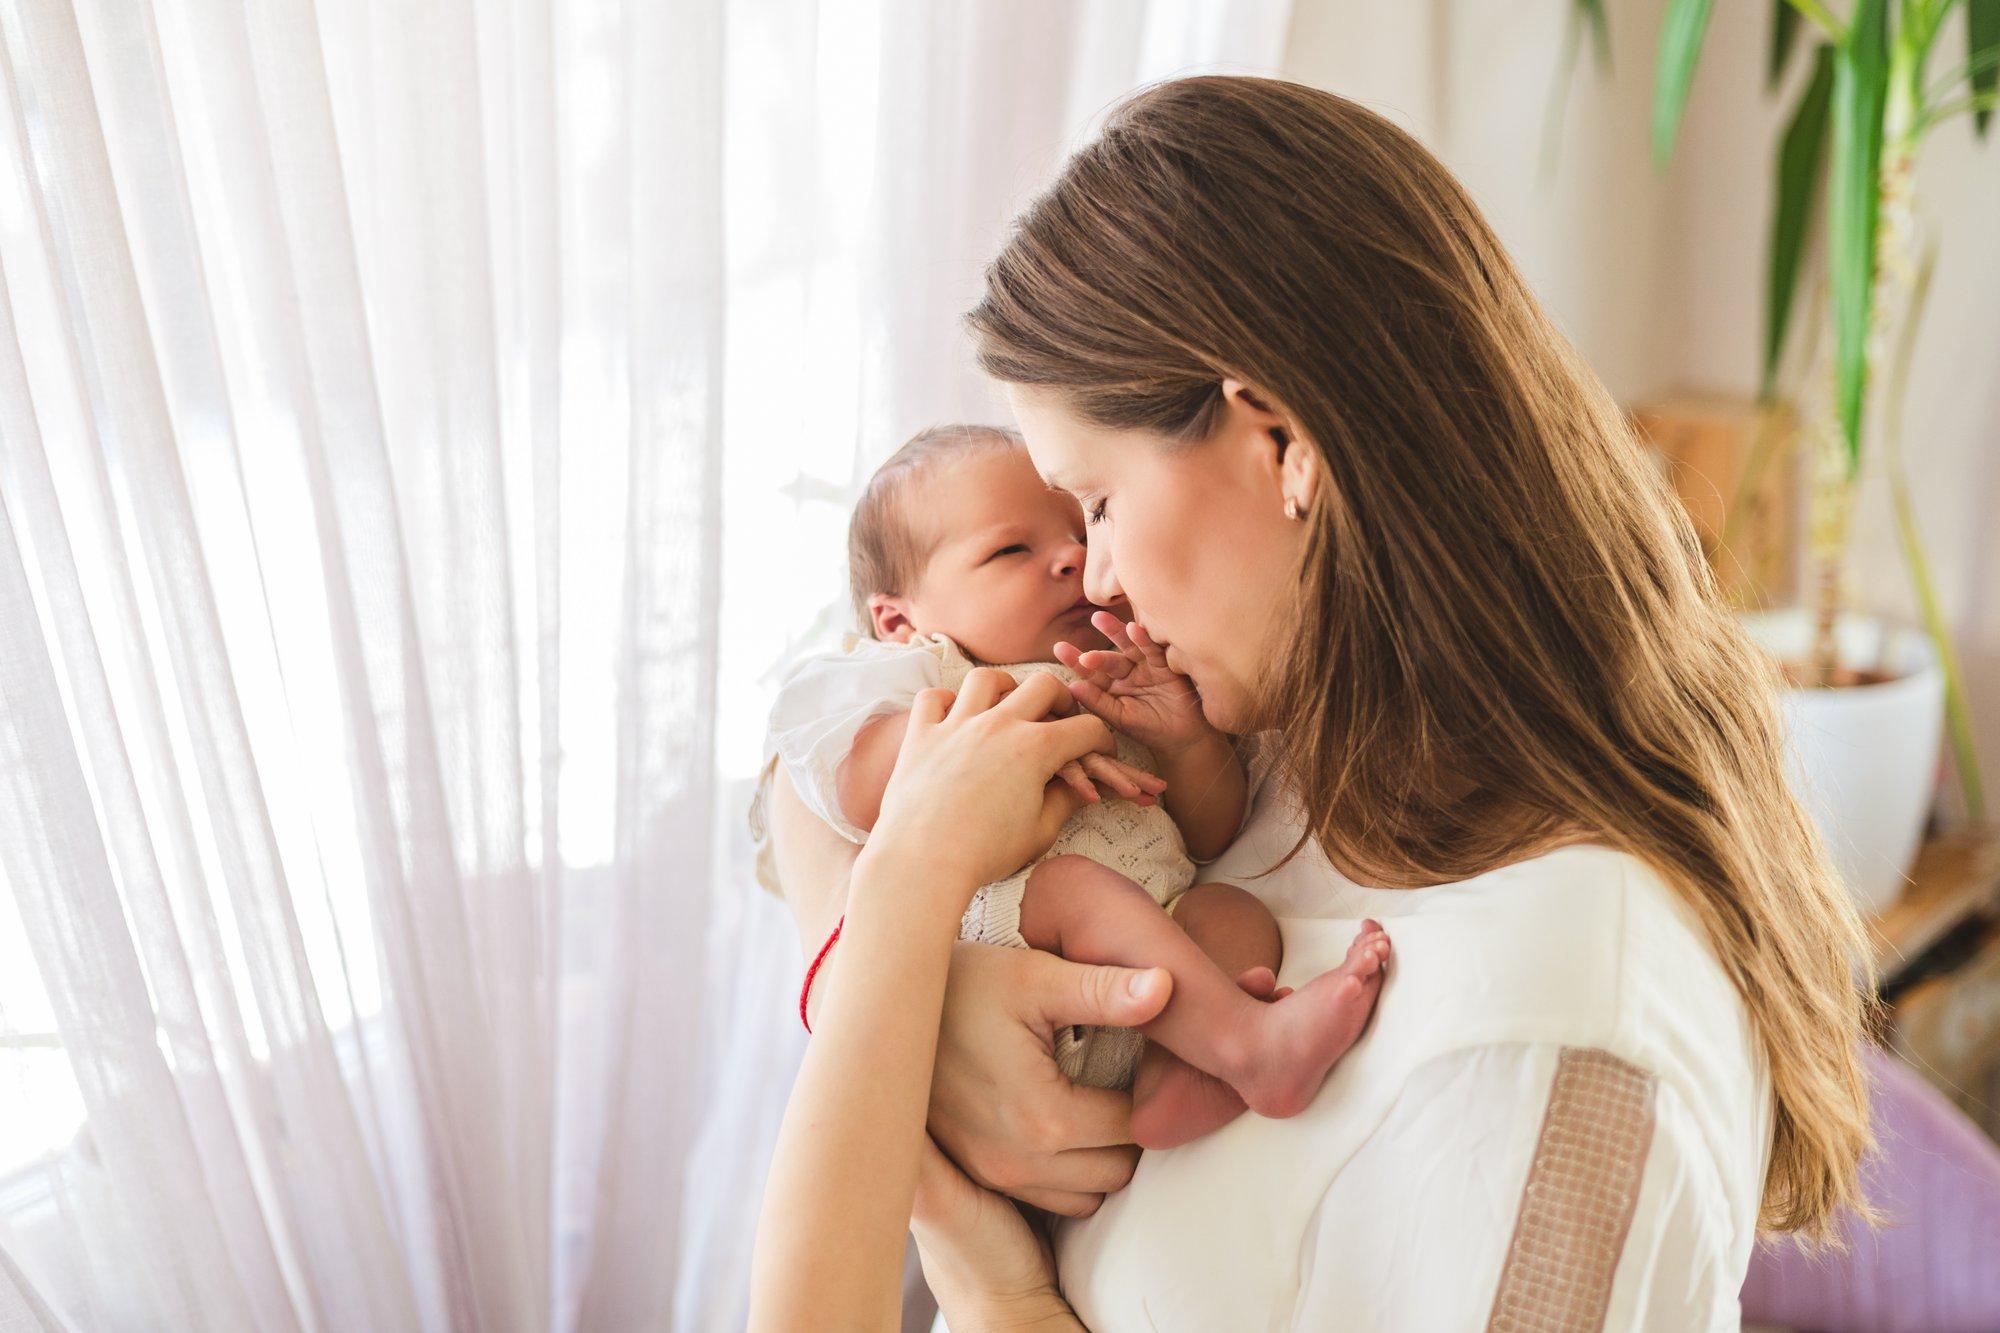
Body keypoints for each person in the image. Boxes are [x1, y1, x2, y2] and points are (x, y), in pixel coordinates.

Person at [765, 74, 1875, 1329]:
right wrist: (895, 982)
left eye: (1100, 503)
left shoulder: (1535, 1027)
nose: (1099, 576)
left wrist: (990, 1280)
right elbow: (802, 745)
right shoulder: (1288, 732)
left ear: (1279, 441)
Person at [750, 421, 1390, 1149]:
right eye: (1011, 549)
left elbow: (1210, 832)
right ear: (900, 619)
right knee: (1077, 889)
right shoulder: (915, 675)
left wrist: (1185, 741)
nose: (1072, 559)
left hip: (1145, 993)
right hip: (1001, 964)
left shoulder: (1121, 671)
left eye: (1080, 529)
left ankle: (1179, 1074)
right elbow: (852, 784)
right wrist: (1013, 738)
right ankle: (1255, 1045)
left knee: (1231, 910)